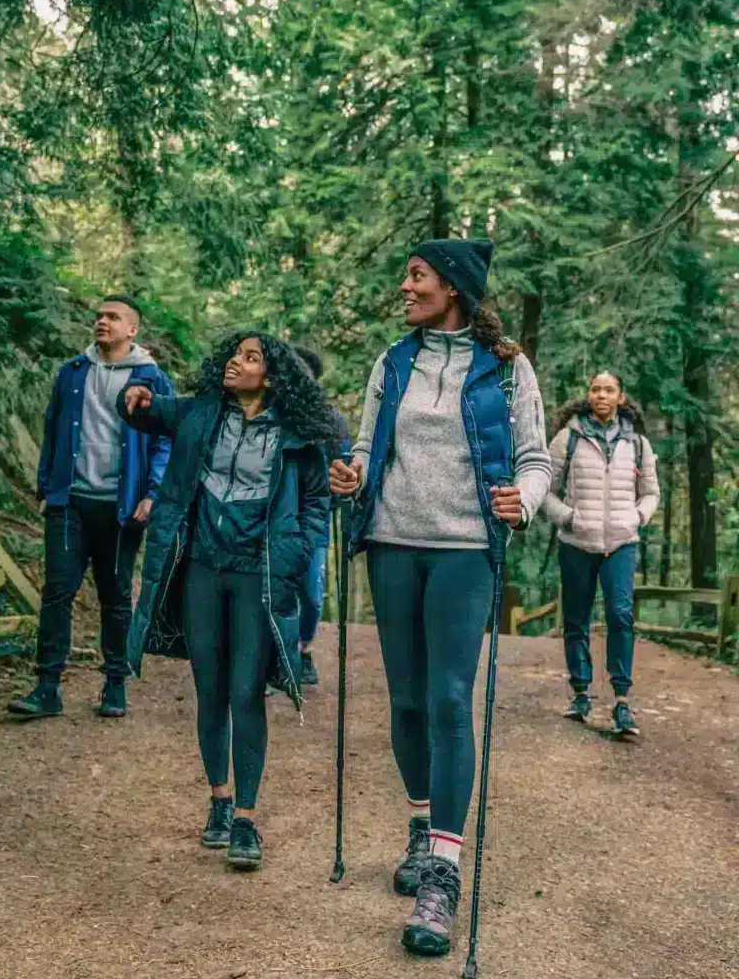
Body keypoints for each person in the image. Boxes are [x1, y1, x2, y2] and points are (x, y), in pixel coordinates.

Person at [330, 238, 551, 958]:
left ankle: (444, 874)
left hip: (465, 549)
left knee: (453, 700)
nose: (405, 285)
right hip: (394, 545)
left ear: (452, 286)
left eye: (416, 275)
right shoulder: (394, 362)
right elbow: (368, 447)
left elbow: (534, 458)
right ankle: (421, 824)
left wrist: (529, 497)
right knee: (409, 703)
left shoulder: (507, 367)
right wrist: (352, 473)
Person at [119, 333, 331, 871]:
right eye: (235, 353)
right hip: (202, 571)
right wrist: (137, 391)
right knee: (210, 689)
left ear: (274, 375)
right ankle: (219, 800)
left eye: (251, 357)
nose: (237, 362)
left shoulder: (299, 433)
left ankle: (247, 819)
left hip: (257, 574)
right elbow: (150, 412)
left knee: (246, 693)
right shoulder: (202, 412)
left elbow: (314, 502)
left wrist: (298, 550)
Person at [9, 296, 174, 721]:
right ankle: (47, 688)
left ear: (132, 329)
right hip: (71, 503)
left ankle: (115, 684)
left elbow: (165, 440)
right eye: (99, 316)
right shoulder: (73, 373)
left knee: (115, 596)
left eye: (112, 317)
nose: (102, 321)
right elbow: (53, 427)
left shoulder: (152, 377)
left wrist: (153, 492)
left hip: (122, 508)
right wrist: (46, 485)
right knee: (57, 592)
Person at [542, 371, 660, 737]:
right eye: (595, 389)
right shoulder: (568, 439)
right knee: (576, 618)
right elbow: (545, 489)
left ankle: (622, 701)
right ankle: (581, 695)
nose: (601, 395)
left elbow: (652, 493)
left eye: (609, 390)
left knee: (620, 615)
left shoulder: (638, 443)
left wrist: (636, 517)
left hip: (621, 544)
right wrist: (568, 518)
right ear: (588, 395)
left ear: (621, 397)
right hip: (577, 544)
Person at [292, 345, 351, 686]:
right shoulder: (266, 412)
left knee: (311, 596)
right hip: (271, 517)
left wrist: (342, 494)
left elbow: (343, 459)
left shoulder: (329, 419)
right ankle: (275, 658)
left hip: (315, 517)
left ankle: (302, 648)